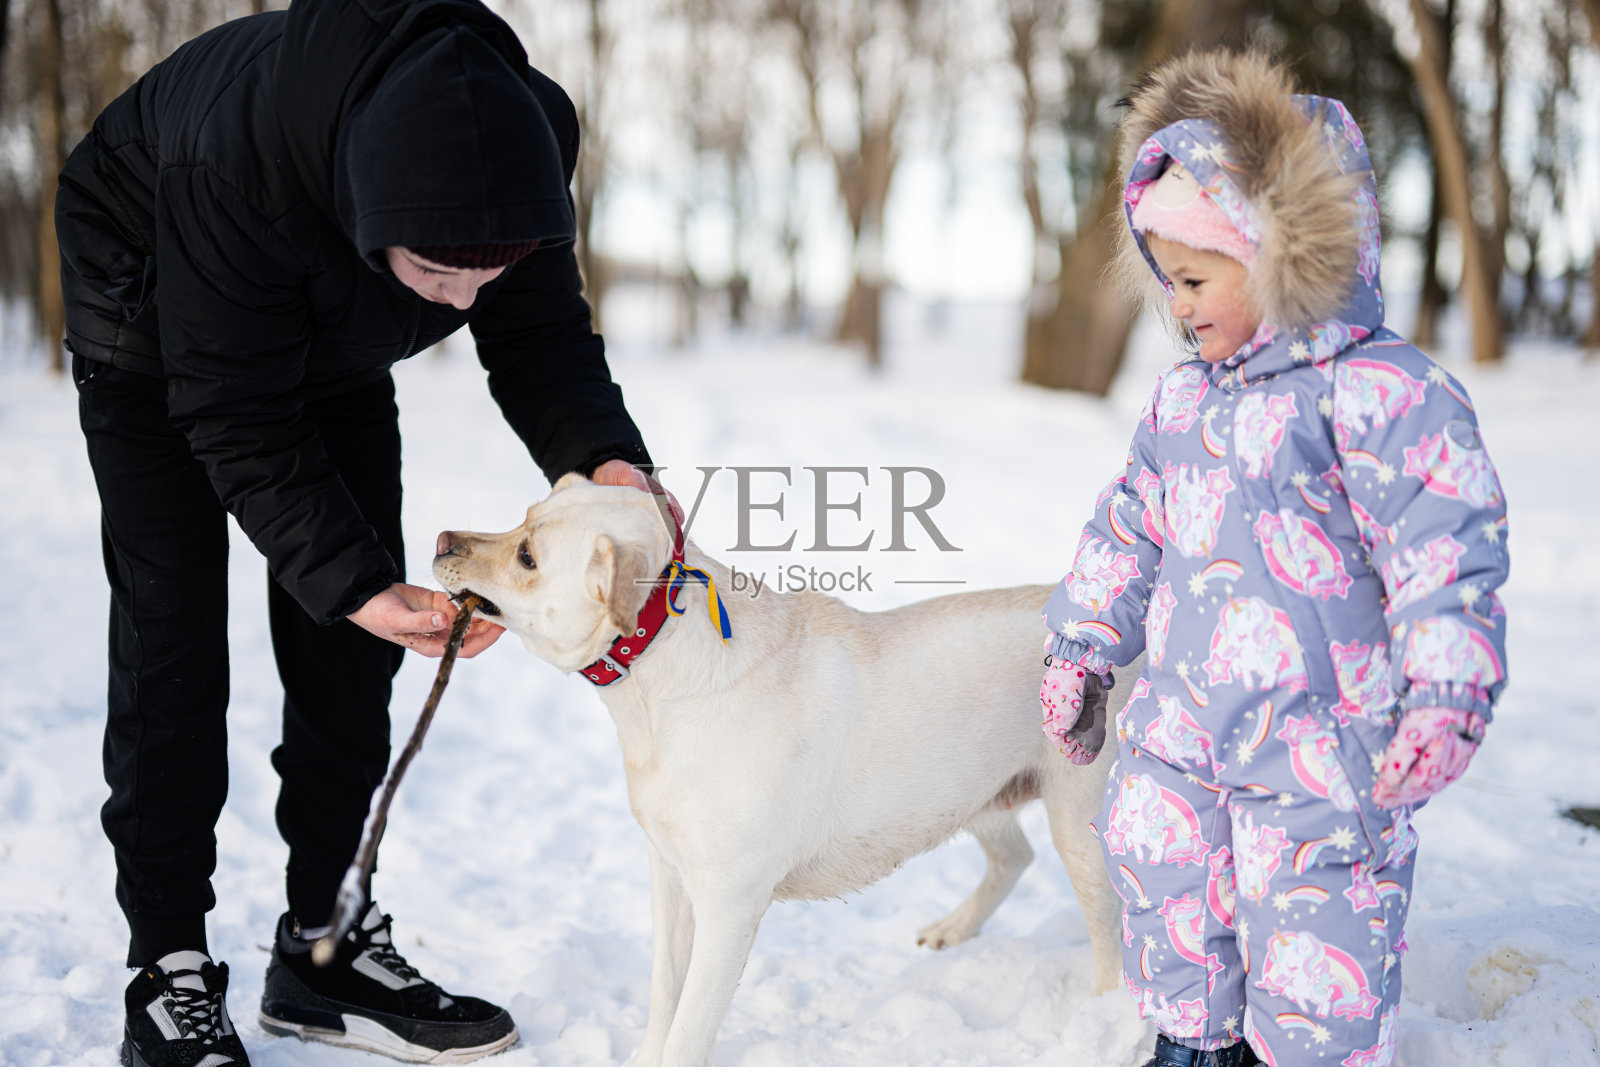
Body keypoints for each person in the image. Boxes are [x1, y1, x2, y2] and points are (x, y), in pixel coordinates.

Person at [56, 1, 664, 1064]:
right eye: (438, 275)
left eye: (484, 276)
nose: (465, 299)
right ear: (370, 207)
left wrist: (612, 462)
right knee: (173, 636)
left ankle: (324, 944)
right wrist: (351, 578)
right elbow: (235, 413)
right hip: (151, 313)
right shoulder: (236, 161)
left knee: (353, 645)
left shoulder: (513, 158)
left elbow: (541, 337)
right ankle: (167, 965)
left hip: (327, 326)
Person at [1036, 52, 1509, 1067]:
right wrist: (1080, 643)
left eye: (1196, 279)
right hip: (1181, 732)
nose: (1178, 306)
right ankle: (1193, 1042)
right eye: (1166, 281)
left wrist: (1445, 696)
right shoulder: (1182, 401)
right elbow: (1129, 526)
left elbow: (1446, 553)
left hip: (1320, 754)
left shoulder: (1379, 393)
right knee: (1164, 878)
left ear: (1277, 252)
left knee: (1315, 931)